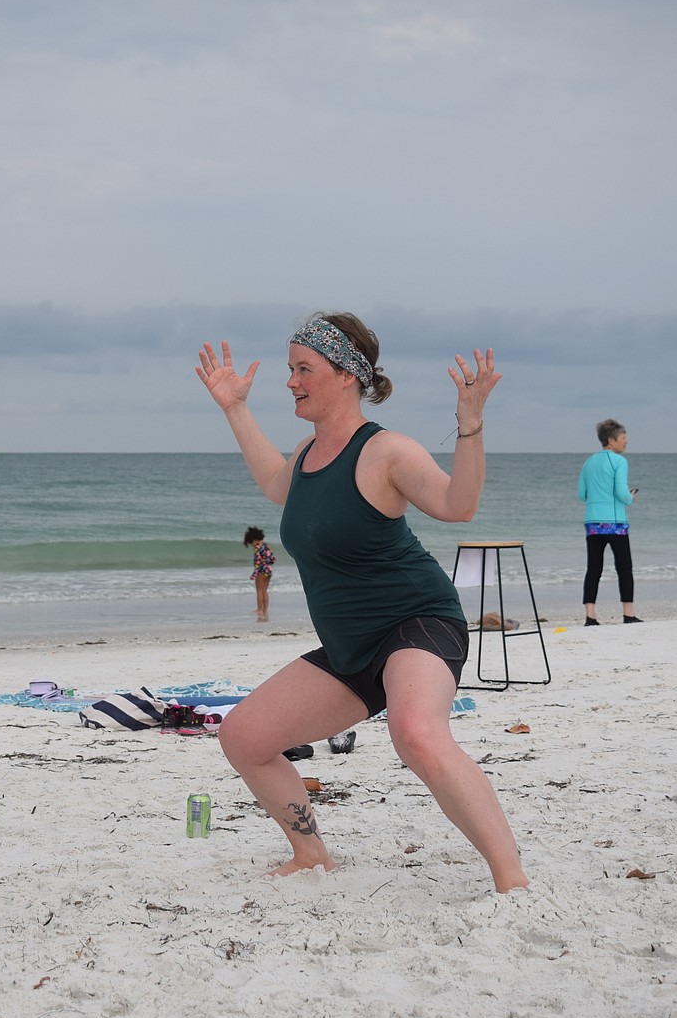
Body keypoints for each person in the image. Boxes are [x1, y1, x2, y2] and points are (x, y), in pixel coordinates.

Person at [196, 311, 528, 894]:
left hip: (417, 623)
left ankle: (511, 878)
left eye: (305, 369)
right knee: (244, 738)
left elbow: (458, 505)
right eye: (290, 369)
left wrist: (469, 425)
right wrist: (234, 408)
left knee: (417, 735)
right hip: (351, 648)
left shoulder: (387, 452)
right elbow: (277, 483)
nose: (292, 381)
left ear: (347, 374)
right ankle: (311, 854)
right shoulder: (304, 456)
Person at [578, 419, 641, 626]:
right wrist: (631, 497)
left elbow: (582, 494)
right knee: (624, 567)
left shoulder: (588, 462)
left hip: (593, 522)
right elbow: (621, 494)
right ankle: (628, 614)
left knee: (594, 568)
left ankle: (590, 616)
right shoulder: (619, 462)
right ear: (611, 440)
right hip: (615, 523)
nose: (626, 442)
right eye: (623, 438)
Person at [243, 525, 276, 621]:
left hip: (261, 571)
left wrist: (254, 574)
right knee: (265, 591)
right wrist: (265, 561)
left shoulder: (257, 548)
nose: (252, 544)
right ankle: (265, 610)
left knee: (259, 591)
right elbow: (273, 560)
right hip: (268, 570)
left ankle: (259, 609)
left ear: (255, 539)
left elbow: (257, 563)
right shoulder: (267, 547)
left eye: (251, 542)